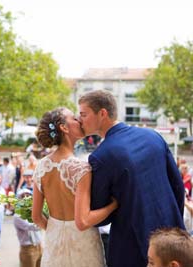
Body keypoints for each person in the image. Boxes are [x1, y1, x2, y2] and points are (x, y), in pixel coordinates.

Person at [78, 89, 185, 266]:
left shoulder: (101, 156)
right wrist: (176, 224)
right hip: (173, 233)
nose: (80, 120)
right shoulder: (153, 136)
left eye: (83, 114)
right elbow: (178, 186)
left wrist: (113, 204)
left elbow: (102, 215)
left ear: (102, 113)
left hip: (132, 246)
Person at [32, 107, 118, 267]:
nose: (79, 119)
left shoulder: (41, 166)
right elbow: (83, 220)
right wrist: (112, 206)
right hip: (83, 244)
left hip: (54, 244)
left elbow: (36, 217)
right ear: (64, 128)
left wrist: (54, 229)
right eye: (74, 118)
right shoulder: (81, 168)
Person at [13, 189, 42, 267]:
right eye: (23, 196)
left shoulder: (34, 211)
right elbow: (32, 227)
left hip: (39, 245)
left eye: (28, 196)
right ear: (19, 199)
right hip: (28, 249)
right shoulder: (17, 216)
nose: (26, 198)